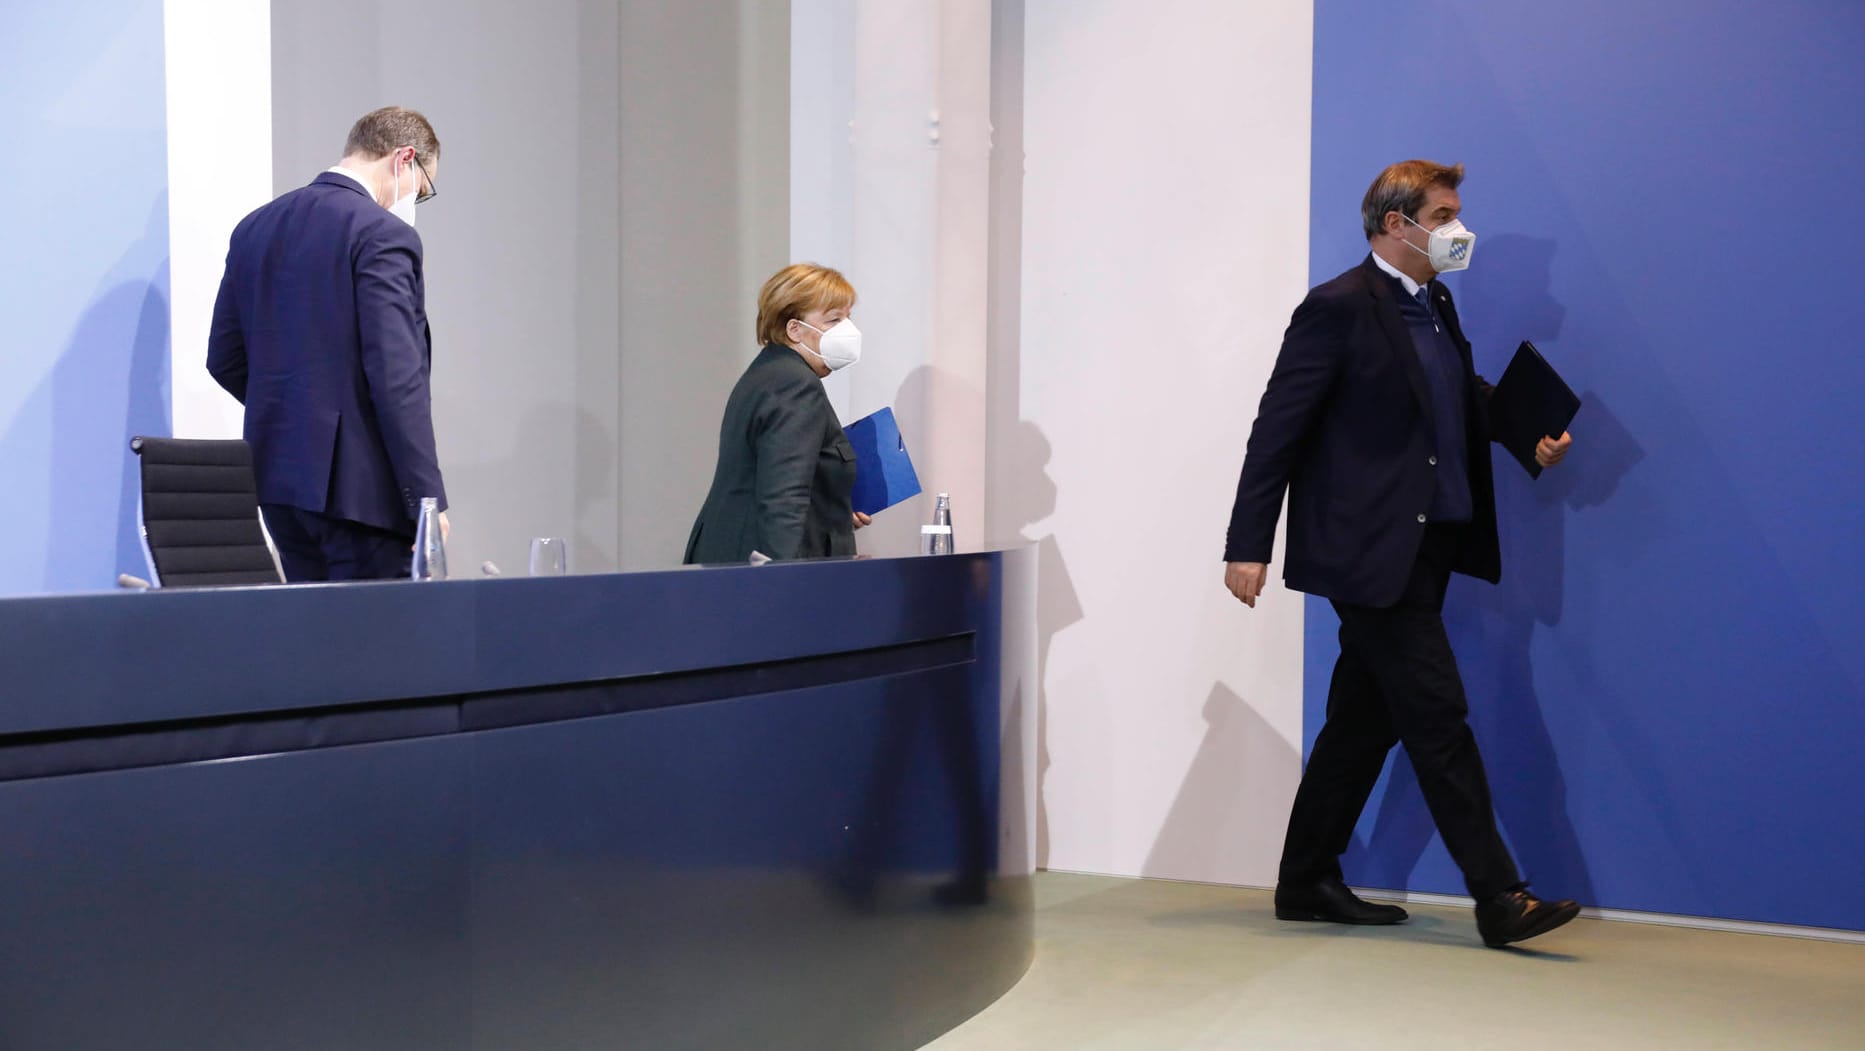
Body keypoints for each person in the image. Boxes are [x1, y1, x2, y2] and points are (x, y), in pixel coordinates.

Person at [1222, 159, 1580, 948]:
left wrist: (1528, 434)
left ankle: (1305, 878)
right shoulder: (1336, 309)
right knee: (1436, 713)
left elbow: (1459, 394)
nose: (1457, 230)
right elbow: (1275, 429)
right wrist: (1247, 543)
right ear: (1396, 224)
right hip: (1365, 550)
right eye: (1443, 215)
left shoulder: (1433, 302)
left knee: (1361, 721)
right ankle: (1498, 895)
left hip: (1427, 545)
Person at [207, 106, 446, 582]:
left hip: (279, 484)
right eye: (421, 191)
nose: (412, 204)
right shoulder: (382, 234)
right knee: (377, 649)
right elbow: (397, 376)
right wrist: (427, 501)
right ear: (405, 158)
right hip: (363, 495)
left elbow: (225, 358)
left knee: (313, 646)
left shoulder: (255, 226)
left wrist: (294, 414)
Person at [684, 263, 872, 564]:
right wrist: (781, 583)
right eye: (833, 320)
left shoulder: (768, 372)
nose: (847, 330)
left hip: (733, 555)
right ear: (794, 329)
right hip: (762, 568)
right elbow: (784, 497)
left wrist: (831, 509)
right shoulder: (795, 384)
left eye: (848, 318)